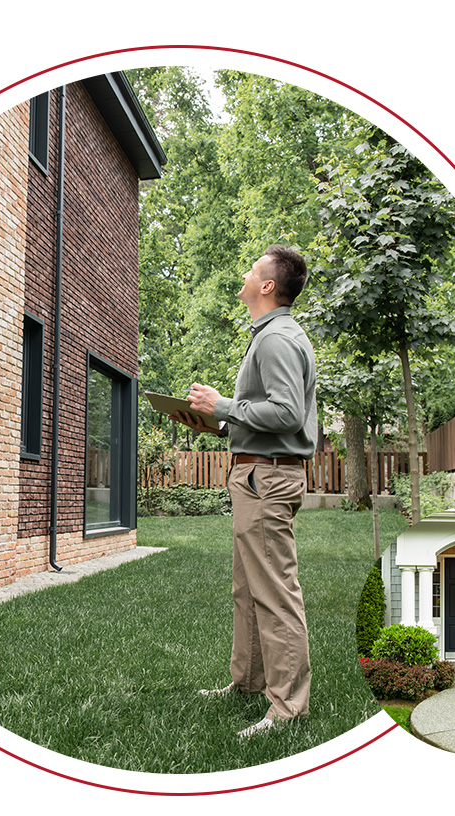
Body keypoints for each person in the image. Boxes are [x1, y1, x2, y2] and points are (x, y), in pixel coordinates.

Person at [169, 244, 317, 738]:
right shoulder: (269, 337)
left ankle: (288, 706)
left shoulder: (276, 340)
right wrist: (216, 419)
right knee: (247, 590)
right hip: (256, 472)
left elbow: (288, 415)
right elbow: (268, 414)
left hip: (267, 479)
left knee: (274, 593)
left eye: (254, 271)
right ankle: (250, 681)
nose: (246, 276)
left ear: (268, 286)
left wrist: (225, 405)